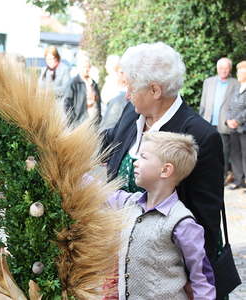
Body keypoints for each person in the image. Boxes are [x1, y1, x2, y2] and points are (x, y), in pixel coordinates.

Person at [101, 42, 224, 262]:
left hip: (166, 270)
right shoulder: (132, 111)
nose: (126, 95)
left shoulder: (200, 136)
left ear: (155, 90)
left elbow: (205, 221)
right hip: (120, 259)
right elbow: (110, 139)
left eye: (131, 87)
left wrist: (195, 280)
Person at [106, 131, 216, 300]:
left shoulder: (181, 222)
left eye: (143, 157)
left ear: (165, 170)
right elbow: (98, 192)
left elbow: (201, 276)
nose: (135, 163)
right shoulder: (130, 203)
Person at [199, 57, 239, 184]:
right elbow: (203, 104)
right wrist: (200, 120)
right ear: (217, 69)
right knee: (207, 150)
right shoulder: (208, 82)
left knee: (224, 152)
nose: (223, 70)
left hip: (225, 123)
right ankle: (207, 174)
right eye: (221, 68)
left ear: (230, 69)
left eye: (226, 68)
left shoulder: (236, 83)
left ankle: (221, 176)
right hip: (208, 122)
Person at [225, 61, 246, 190]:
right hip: (233, 128)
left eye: (240, 71)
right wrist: (228, 120)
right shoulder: (237, 87)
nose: (237, 73)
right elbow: (230, 106)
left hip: (243, 128)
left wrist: (238, 120)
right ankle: (239, 180)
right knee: (235, 154)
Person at [64, 55, 101, 126]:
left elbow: (98, 102)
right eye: (84, 67)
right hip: (79, 123)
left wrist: (99, 118)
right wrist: (73, 121)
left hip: (93, 123)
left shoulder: (93, 83)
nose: (87, 69)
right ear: (79, 67)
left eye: (88, 67)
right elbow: (67, 104)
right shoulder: (73, 83)